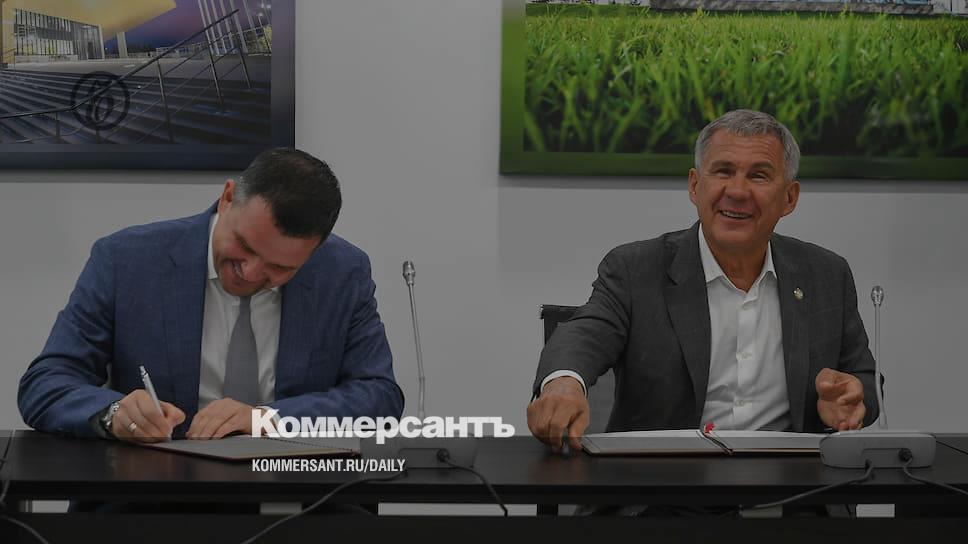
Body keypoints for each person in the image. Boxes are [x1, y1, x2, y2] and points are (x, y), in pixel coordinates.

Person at [528, 109, 879, 453]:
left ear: (789, 198)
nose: (737, 191)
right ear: (695, 186)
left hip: (790, 484)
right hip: (664, 482)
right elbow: (583, 333)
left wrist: (852, 398)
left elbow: (864, 380)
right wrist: (563, 383)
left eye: (759, 176)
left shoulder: (826, 274)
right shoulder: (636, 269)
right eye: (723, 171)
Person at [19, 148, 403, 442]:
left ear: (314, 252)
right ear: (227, 197)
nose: (250, 272)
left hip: (298, 494)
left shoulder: (342, 272)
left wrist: (269, 419)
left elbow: (379, 397)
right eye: (244, 245)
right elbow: (46, 384)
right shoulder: (126, 260)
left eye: (280, 268)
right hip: (151, 498)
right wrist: (113, 413)